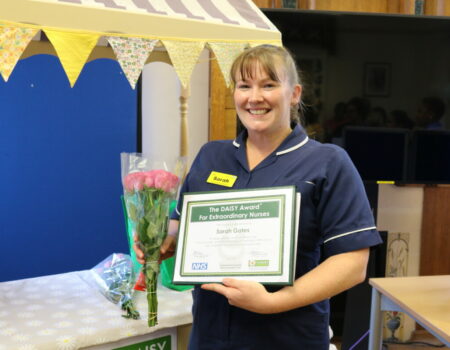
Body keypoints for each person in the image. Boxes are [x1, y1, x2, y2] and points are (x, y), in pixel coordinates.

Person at [134, 45, 382, 349]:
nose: (255, 97)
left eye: (269, 85)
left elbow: (352, 264)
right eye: (244, 86)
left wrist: (273, 302)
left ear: (294, 94)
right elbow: (180, 221)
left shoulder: (328, 163)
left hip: (287, 337)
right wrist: (163, 240)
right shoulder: (212, 155)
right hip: (211, 334)